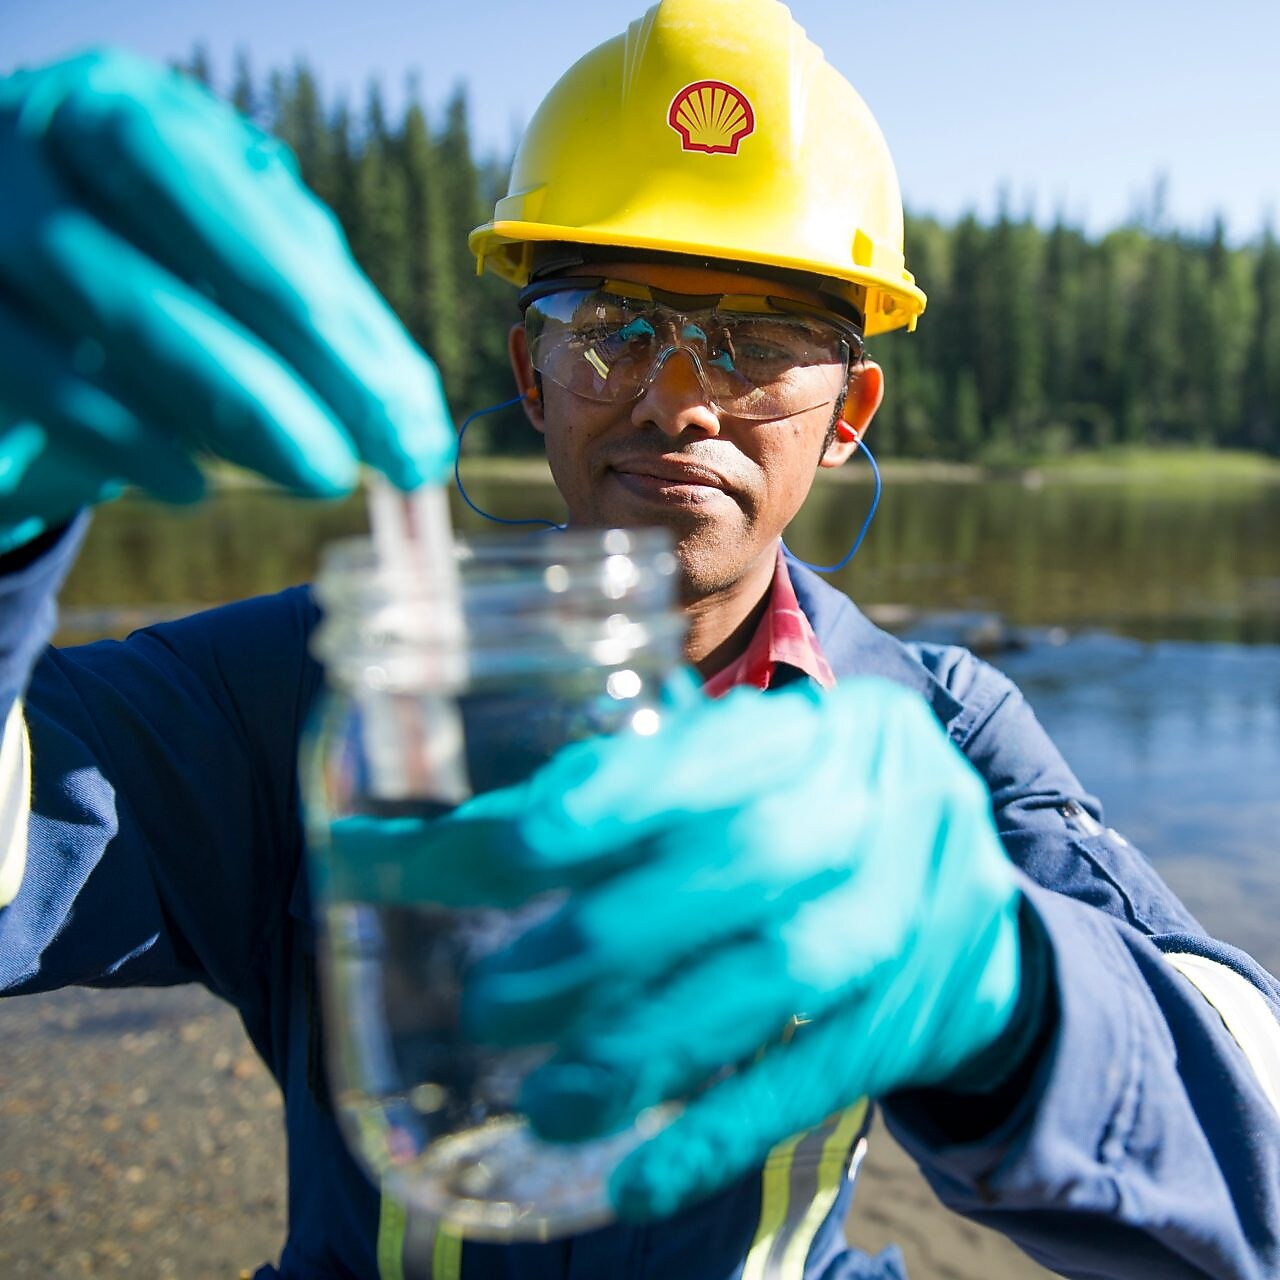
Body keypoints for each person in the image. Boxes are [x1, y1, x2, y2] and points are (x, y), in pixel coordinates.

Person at [1, 2, 1278, 1277]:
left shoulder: (939, 733)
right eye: (612, 328)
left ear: (846, 412)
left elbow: (1255, 1134)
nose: (677, 400)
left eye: (764, 342)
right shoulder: (308, 688)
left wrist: (1023, 993)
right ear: (530, 367)